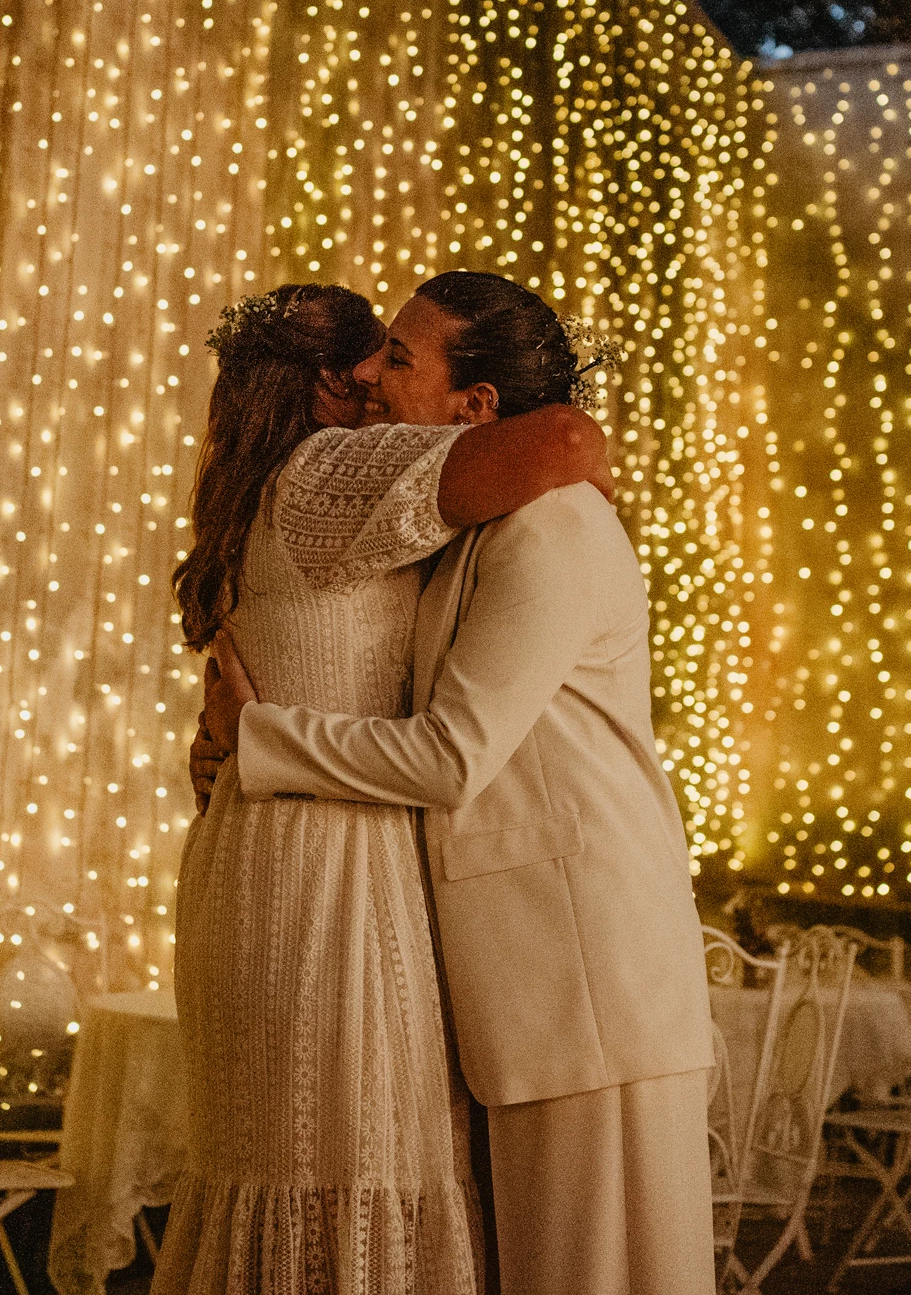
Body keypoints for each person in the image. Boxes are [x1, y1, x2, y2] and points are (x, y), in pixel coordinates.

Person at [194, 270, 715, 1295]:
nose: (380, 381)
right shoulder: (449, 524)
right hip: (518, 985)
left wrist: (256, 738)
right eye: (372, 358)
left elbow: (446, 753)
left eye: (399, 358)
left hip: (587, 978)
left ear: (476, 406)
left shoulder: (549, 525)